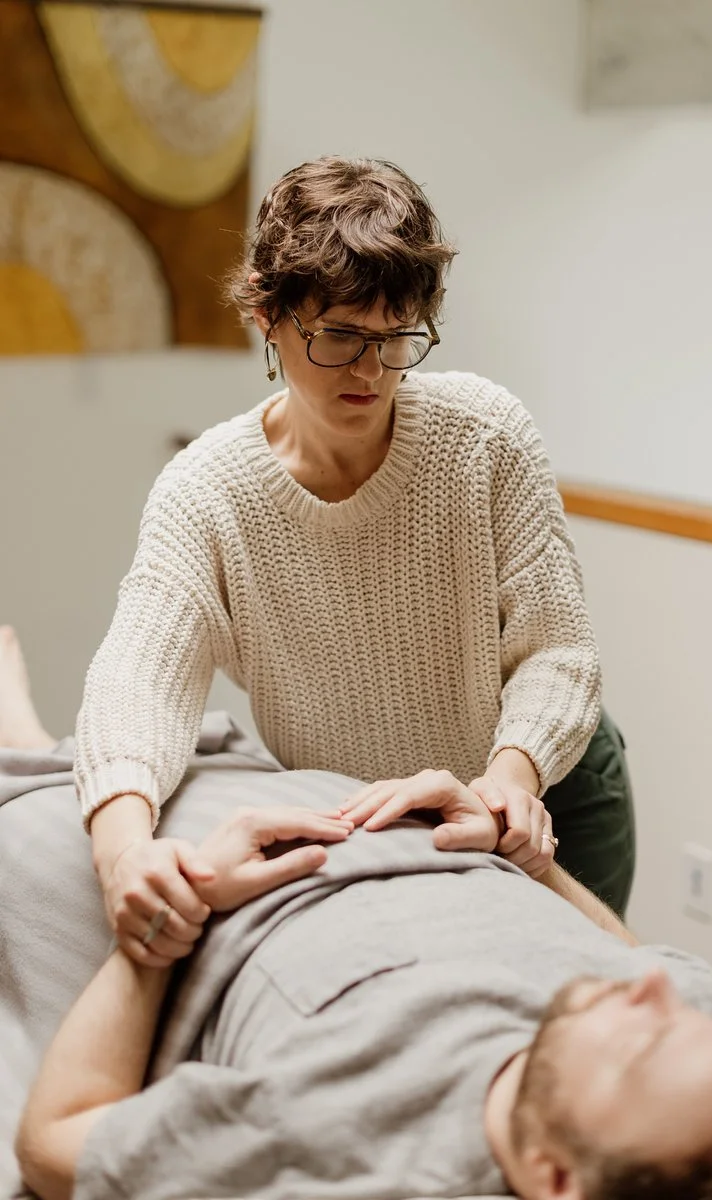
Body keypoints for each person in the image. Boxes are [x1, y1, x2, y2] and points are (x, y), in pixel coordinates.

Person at [75, 155, 634, 975]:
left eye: (396, 337)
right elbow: (138, 684)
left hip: (543, 793)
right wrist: (123, 851)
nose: (372, 371)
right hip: (370, 825)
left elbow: (557, 649)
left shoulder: (485, 435)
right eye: (339, 336)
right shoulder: (206, 492)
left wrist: (514, 779)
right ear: (267, 317)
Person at [5, 631, 712, 1200]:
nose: (651, 985)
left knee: (43, 806)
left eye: (643, 1044)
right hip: (371, 815)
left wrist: (165, 925)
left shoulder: (339, 1152)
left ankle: (23, 743)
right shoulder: (703, 1054)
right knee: (135, 755)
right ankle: (33, 738)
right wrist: (526, 855)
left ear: (553, 1177)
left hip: (216, 880)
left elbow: (53, 1147)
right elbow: (636, 955)